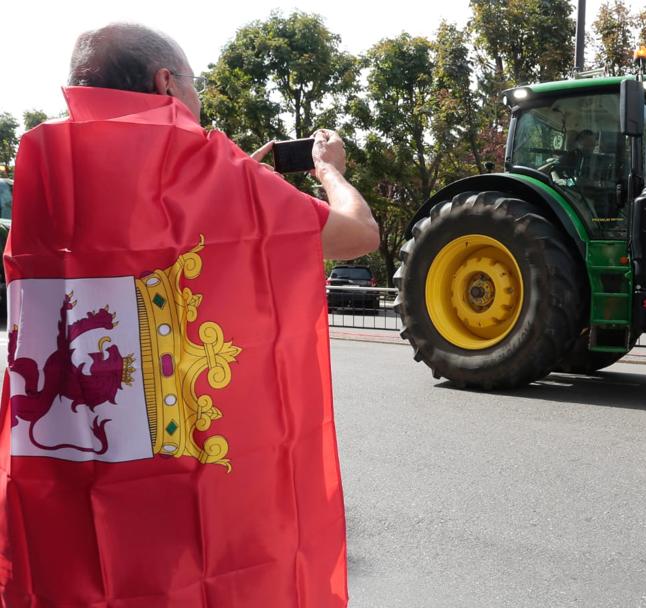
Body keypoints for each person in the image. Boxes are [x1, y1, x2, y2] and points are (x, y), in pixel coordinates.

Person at [1, 23, 376, 607]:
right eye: (196, 87)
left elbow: (136, 238)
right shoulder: (209, 169)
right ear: (166, 82)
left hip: (69, 467)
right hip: (181, 494)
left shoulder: (42, 164)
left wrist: (246, 186)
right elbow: (358, 235)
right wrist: (330, 170)